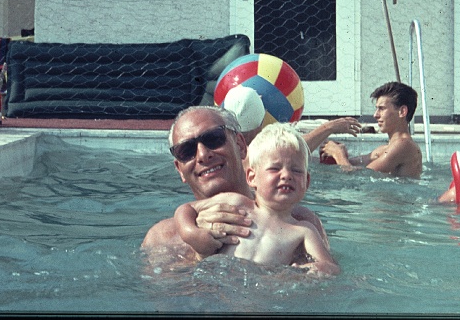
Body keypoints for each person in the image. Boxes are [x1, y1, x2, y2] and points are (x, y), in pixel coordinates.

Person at [141, 106, 329, 262]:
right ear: (179, 169)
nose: (203, 155)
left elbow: (318, 289)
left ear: (240, 145)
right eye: (186, 150)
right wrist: (197, 253)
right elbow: (163, 299)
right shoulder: (162, 237)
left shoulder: (300, 223)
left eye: (213, 139)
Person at [173, 123, 340, 275]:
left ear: (307, 182)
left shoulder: (304, 231)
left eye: (296, 171)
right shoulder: (235, 203)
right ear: (252, 177)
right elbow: (187, 209)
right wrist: (191, 234)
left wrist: (316, 270)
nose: (287, 176)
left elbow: (331, 267)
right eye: (275, 168)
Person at [222, 84, 363, 155]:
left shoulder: (223, 146)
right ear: (263, 114)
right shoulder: (261, 153)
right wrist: (329, 127)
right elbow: (297, 148)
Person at [319, 81, 422, 178]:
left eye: (382, 109)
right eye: (376, 109)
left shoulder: (404, 145)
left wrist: (338, 153)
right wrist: (333, 153)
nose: (375, 115)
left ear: (402, 111)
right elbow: (352, 166)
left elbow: (358, 178)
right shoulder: (384, 149)